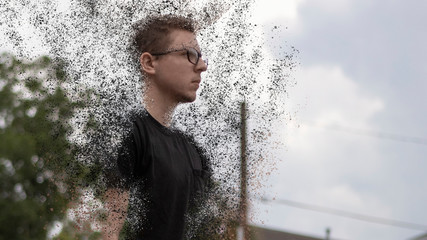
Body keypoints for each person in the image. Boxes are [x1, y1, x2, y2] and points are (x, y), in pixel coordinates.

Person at [102, 15, 210, 240]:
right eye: (188, 55)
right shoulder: (125, 133)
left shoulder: (195, 153)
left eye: (200, 57)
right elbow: (106, 231)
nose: (201, 66)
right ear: (149, 63)